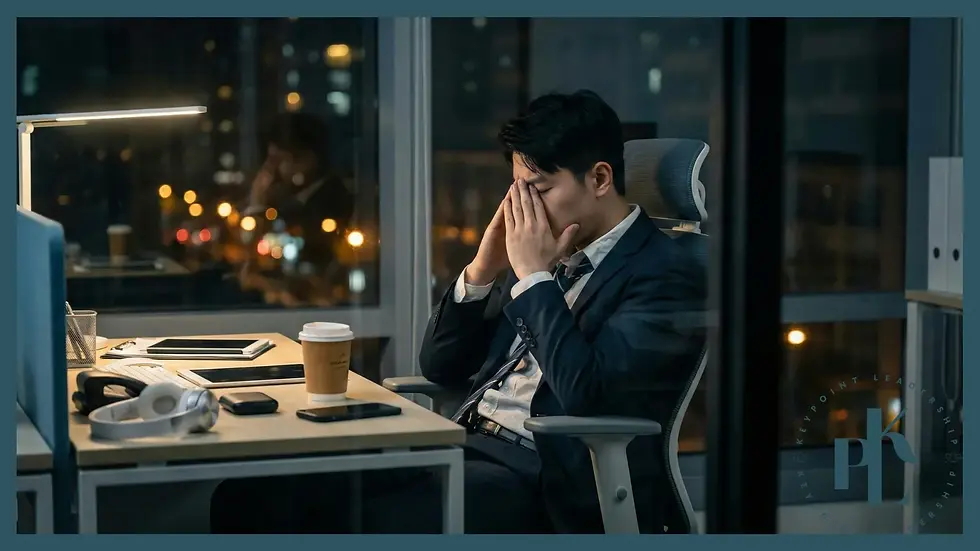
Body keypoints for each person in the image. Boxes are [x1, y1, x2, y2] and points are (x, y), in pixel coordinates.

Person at [209, 90, 706, 534]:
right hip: (465, 445)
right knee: (254, 495)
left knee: (378, 522)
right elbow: (441, 365)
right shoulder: (552, 247)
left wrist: (534, 279)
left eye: (538, 189)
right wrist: (484, 267)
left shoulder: (663, 272)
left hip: (543, 477)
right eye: (516, 190)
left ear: (599, 178)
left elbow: (588, 396)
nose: (523, 209)